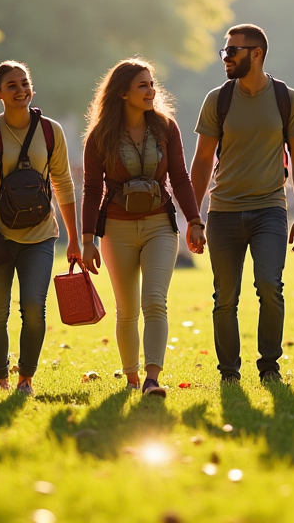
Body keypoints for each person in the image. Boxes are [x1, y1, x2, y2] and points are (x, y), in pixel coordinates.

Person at [191, 24, 294, 384]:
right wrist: (194, 218)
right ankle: (229, 371)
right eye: (224, 51)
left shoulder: (288, 99)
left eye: (233, 51)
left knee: (270, 285)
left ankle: (269, 366)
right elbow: (202, 160)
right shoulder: (218, 99)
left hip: (269, 210)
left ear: (256, 54)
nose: (225, 58)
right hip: (223, 211)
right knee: (225, 297)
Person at [80, 59, 205, 397]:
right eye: (142, 85)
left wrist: (195, 220)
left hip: (159, 226)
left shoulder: (166, 128)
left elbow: (180, 177)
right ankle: (131, 377)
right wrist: (87, 239)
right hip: (116, 229)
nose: (151, 90)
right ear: (123, 93)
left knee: (154, 301)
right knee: (127, 309)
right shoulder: (100, 136)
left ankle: (152, 378)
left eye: (152, 84)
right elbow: (92, 188)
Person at [0, 61, 82, 395]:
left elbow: (64, 184)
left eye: (24, 83)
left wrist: (74, 238)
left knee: (33, 306)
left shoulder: (51, 131)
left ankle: (25, 379)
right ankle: (0, 378)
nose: (20, 90)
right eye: (11, 86)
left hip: (41, 236)